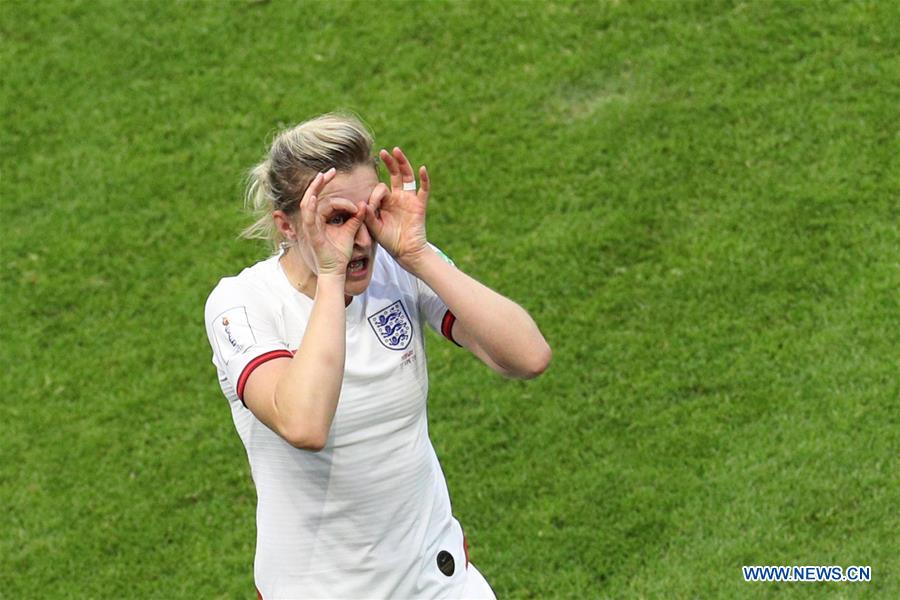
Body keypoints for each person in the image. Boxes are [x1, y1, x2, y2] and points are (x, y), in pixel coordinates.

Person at [204, 113, 551, 599]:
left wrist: (418, 254)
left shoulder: (396, 265)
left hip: (438, 582)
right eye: (337, 219)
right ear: (287, 225)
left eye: (368, 213)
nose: (361, 239)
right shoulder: (243, 304)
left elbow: (527, 356)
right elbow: (304, 424)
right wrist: (331, 274)